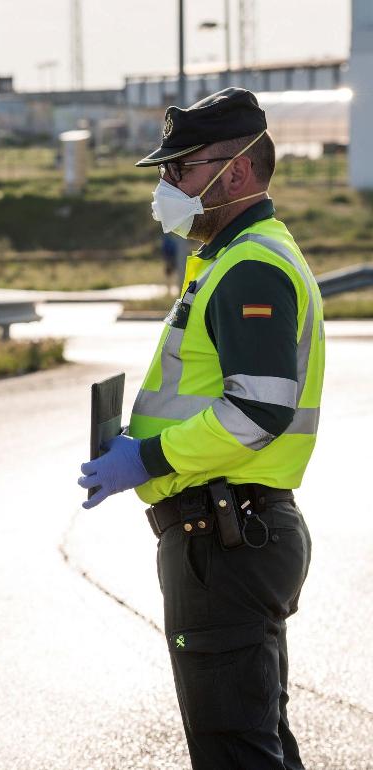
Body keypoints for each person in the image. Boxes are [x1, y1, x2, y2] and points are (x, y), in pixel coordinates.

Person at [77, 88, 323, 770]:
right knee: (256, 743)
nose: (166, 186)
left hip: (224, 539)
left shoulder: (250, 269)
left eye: (178, 170)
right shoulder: (230, 259)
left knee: (236, 753)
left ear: (234, 171)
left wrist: (148, 458)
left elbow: (258, 410)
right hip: (229, 534)